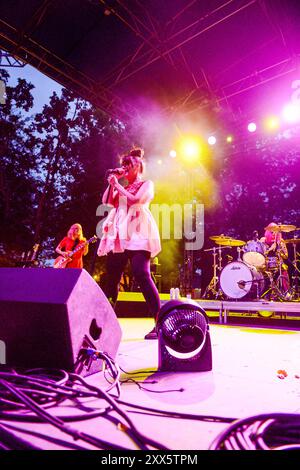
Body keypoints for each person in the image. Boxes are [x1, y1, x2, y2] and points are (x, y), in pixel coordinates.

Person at [98, 147, 161, 339]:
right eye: (123, 165)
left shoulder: (147, 184)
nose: (124, 168)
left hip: (138, 229)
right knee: (112, 277)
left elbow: (136, 201)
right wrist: (111, 184)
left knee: (141, 273)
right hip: (119, 231)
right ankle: (104, 324)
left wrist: (117, 185)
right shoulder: (120, 185)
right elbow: (107, 202)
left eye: (129, 165)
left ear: (138, 166)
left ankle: (160, 322)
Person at [260, 223, 289, 292]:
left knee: (284, 270)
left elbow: (286, 256)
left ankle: (285, 291)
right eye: (271, 232)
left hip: (278, 264)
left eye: (275, 232)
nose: (273, 233)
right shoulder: (263, 240)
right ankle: (262, 291)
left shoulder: (281, 241)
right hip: (265, 264)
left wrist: (280, 251)